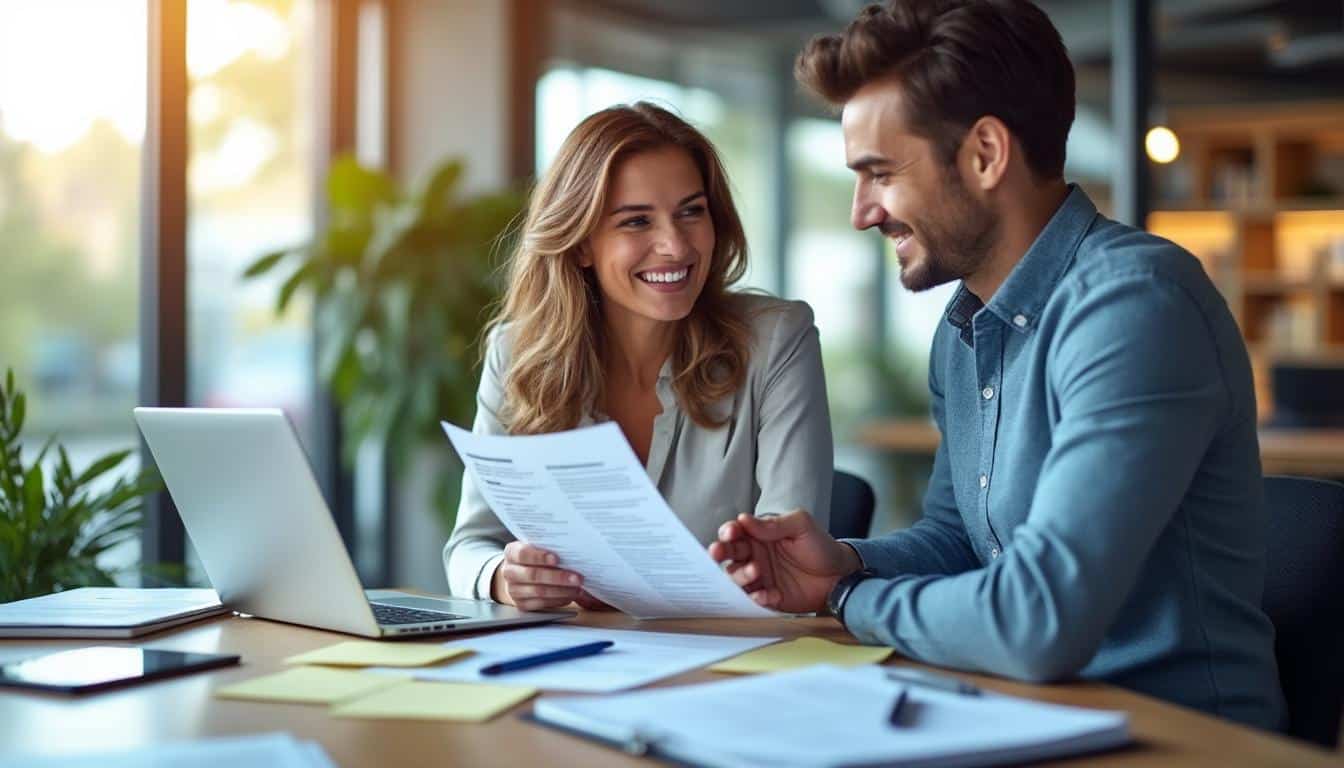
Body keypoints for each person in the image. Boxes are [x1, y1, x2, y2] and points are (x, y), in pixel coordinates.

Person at [710, 0, 1285, 731]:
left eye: (880, 173)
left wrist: (848, 599)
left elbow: (1038, 619)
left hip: (1176, 736)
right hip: (1026, 714)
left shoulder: (1135, 305)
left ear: (985, 153)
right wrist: (846, 564)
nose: (861, 211)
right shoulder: (965, 329)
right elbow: (959, 540)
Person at [445, 102, 833, 613]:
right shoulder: (517, 354)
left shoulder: (777, 341)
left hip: (734, 649)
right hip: (575, 652)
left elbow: (788, 558)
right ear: (581, 244)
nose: (674, 245)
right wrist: (504, 577)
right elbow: (470, 545)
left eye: (691, 211)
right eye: (636, 221)